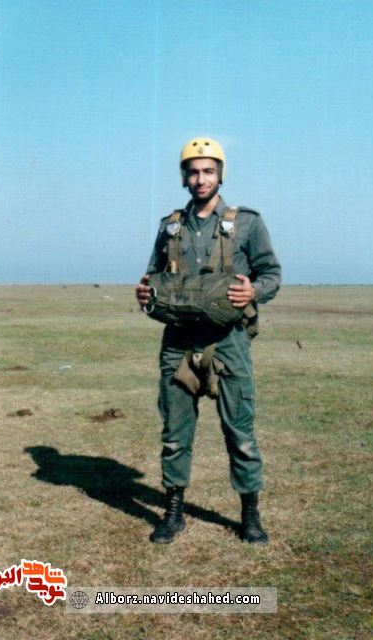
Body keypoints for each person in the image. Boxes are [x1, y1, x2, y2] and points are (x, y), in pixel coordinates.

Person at [136, 137, 281, 545]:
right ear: (184, 177)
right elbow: (153, 276)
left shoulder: (247, 223)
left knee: (240, 433)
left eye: (209, 171)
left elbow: (272, 274)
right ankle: (174, 513)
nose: (201, 179)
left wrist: (253, 291)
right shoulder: (170, 226)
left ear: (220, 174)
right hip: (178, 344)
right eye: (194, 172)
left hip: (228, 343)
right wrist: (145, 294)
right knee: (175, 434)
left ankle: (250, 515)